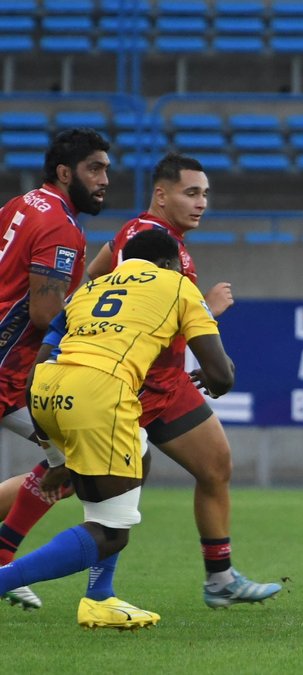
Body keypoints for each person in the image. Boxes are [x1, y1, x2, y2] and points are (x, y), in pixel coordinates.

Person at [0, 153, 282, 611]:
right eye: (191, 192)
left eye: (205, 194)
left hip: (146, 380)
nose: (201, 203)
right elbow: (212, 361)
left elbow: (96, 280)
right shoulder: (145, 237)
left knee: (212, 465)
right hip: (127, 384)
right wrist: (206, 309)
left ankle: (219, 576)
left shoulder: (145, 240)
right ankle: (77, 587)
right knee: (80, 490)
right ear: (161, 194)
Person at [0, 228, 235, 629]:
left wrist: (57, 456)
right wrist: (217, 380)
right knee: (110, 532)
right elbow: (220, 374)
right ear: (170, 264)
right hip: (100, 393)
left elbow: (40, 363)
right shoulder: (178, 284)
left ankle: (100, 597)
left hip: (46, 388)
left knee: (138, 450)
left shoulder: (89, 290)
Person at [0, 129, 108, 611]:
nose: (104, 179)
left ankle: (4, 562)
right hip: (8, 369)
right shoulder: (61, 227)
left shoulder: (22, 204)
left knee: (67, 461)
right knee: (74, 461)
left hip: (15, 374)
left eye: (105, 168)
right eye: (94, 169)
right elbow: (46, 313)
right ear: (66, 173)